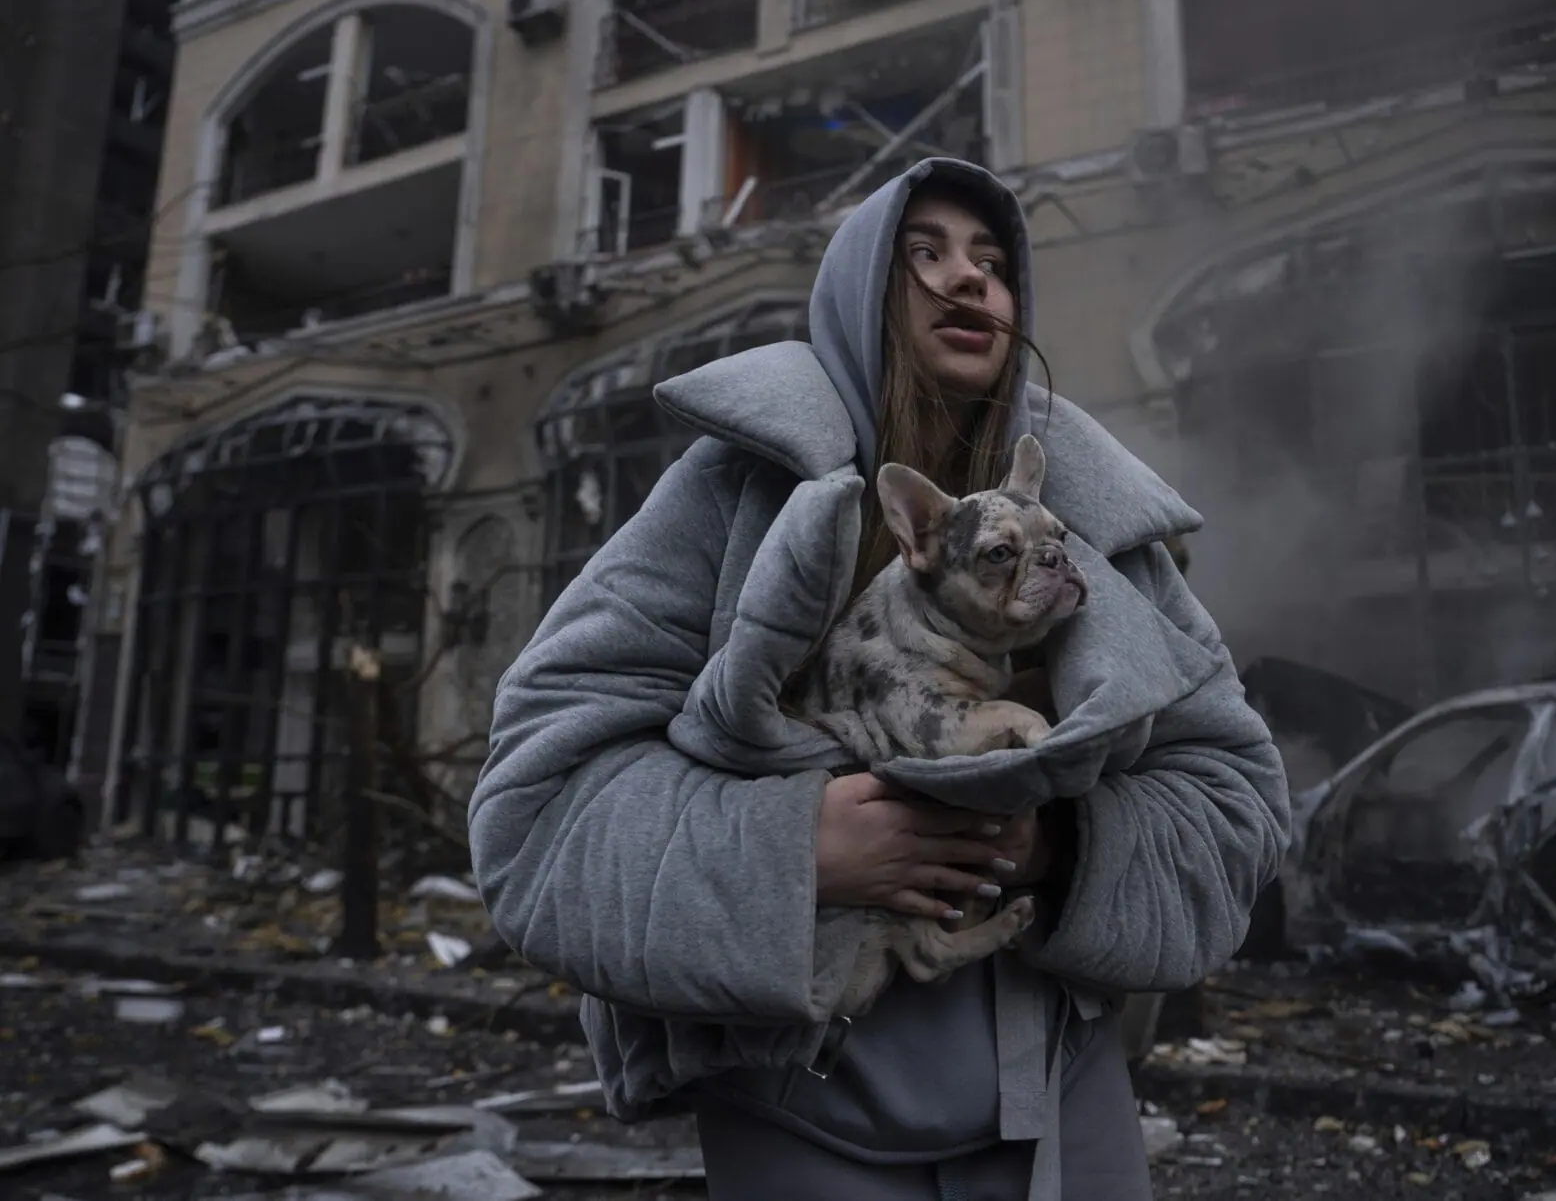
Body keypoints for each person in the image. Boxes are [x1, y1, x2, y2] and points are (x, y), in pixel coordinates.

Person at [468, 158, 1289, 1201]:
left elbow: (1237, 802)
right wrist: (800, 850)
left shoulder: (1091, 530)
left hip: (1063, 1103)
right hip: (799, 1113)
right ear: (863, 292)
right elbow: (537, 804)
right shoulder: (735, 493)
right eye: (926, 255)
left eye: (991, 262)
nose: (967, 279)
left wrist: (1060, 848)